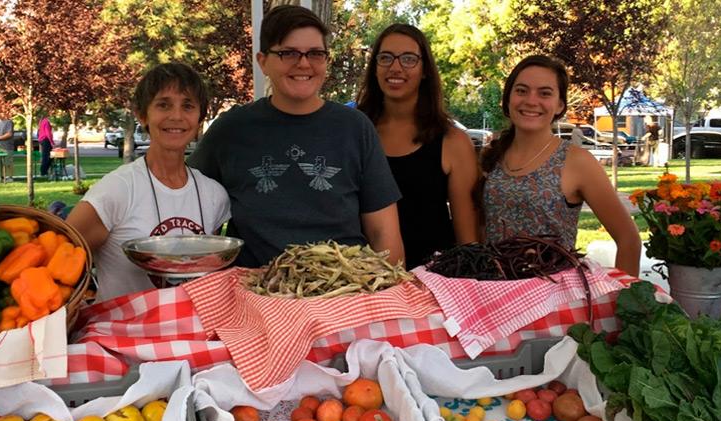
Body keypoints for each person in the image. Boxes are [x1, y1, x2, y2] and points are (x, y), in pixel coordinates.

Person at [187, 5, 404, 268]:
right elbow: (188, 207)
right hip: (256, 291)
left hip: (342, 290)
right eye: (288, 53)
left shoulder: (356, 128)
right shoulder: (231, 129)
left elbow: (384, 233)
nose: (303, 63)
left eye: (315, 53)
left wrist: (389, 294)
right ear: (262, 62)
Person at [67, 63, 230, 302]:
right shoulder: (117, 190)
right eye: (163, 105)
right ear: (143, 115)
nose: (176, 116)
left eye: (188, 106)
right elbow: (60, 259)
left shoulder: (214, 195)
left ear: (200, 118)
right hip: (122, 333)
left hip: (190, 333)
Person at [479, 55, 640, 276]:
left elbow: (628, 238)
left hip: (554, 298)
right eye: (521, 90)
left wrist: (625, 301)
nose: (531, 101)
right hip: (491, 291)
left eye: (545, 93)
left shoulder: (577, 162)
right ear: (507, 100)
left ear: (559, 105)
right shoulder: (491, 155)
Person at [355, 24, 479, 268]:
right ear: (375, 68)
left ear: (425, 70)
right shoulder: (354, 133)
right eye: (386, 57)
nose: (396, 67)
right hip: (362, 282)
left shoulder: (453, 141)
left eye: (409, 59)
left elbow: (468, 241)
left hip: (433, 281)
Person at [0, 113, 15, 182]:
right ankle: (1, 177)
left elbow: (9, 134)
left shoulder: (9, 122)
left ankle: (10, 177)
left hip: (7, 146)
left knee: (8, 162)